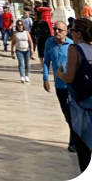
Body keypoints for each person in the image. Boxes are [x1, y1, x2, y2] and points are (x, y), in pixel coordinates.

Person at [57, 17, 92, 174]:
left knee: (83, 147)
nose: (70, 33)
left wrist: (59, 74)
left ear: (78, 33)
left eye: (72, 30)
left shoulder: (75, 49)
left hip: (80, 105)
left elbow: (70, 77)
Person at [43, 20, 75, 153]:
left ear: (66, 32)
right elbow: (46, 61)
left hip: (72, 85)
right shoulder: (49, 43)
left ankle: (73, 142)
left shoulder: (71, 45)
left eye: (59, 30)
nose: (56, 32)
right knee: (66, 114)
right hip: (59, 85)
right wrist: (45, 78)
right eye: (55, 29)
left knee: (73, 114)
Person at [10, 18, 35, 83]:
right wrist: (12, 50)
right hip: (19, 50)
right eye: (19, 25)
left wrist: (32, 50)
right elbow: (13, 42)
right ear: (17, 26)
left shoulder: (26, 32)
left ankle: (26, 76)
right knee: (21, 63)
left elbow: (30, 41)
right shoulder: (15, 33)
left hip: (27, 50)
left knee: (27, 63)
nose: (20, 26)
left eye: (21, 24)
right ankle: (22, 76)